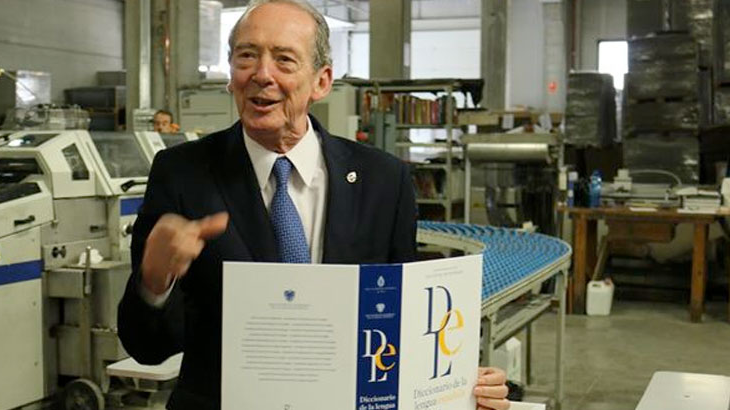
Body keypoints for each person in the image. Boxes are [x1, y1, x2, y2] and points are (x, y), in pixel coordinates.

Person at [118, 1, 509, 409]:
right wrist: (154, 283)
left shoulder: (383, 180)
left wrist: (461, 381)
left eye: (284, 60)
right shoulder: (183, 174)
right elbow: (146, 348)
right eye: (246, 56)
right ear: (231, 75)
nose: (261, 74)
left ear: (321, 82)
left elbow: (403, 323)